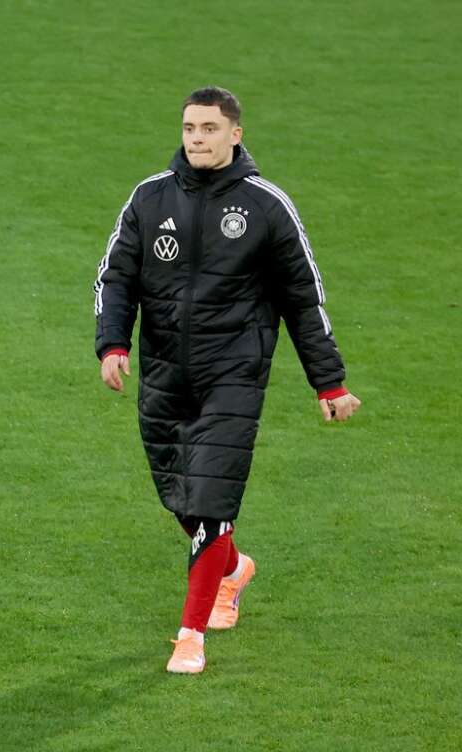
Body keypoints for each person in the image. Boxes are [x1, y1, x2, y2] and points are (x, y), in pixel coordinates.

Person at [93, 86, 361, 674]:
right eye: (189, 128)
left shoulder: (266, 207)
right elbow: (116, 278)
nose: (197, 139)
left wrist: (330, 382)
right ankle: (234, 567)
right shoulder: (149, 198)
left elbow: (303, 298)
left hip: (233, 374)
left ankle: (191, 634)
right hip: (164, 371)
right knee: (180, 499)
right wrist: (113, 344)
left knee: (211, 498)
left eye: (210, 129)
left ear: (235, 134)